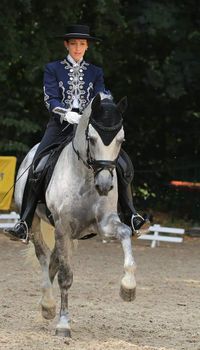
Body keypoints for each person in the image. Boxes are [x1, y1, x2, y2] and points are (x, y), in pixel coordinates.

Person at [5, 24, 146, 243]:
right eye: (73, 44)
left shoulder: (95, 72)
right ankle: (24, 222)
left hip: (90, 127)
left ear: (87, 46)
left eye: (81, 44)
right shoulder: (53, 68)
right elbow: (49, 98)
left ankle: (131, 215)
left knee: (123, 162)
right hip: (60, 125)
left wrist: (107, 105)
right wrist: (65, 113)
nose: (77, 48)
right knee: (38, 164)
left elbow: (102, 94)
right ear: (67, 45)